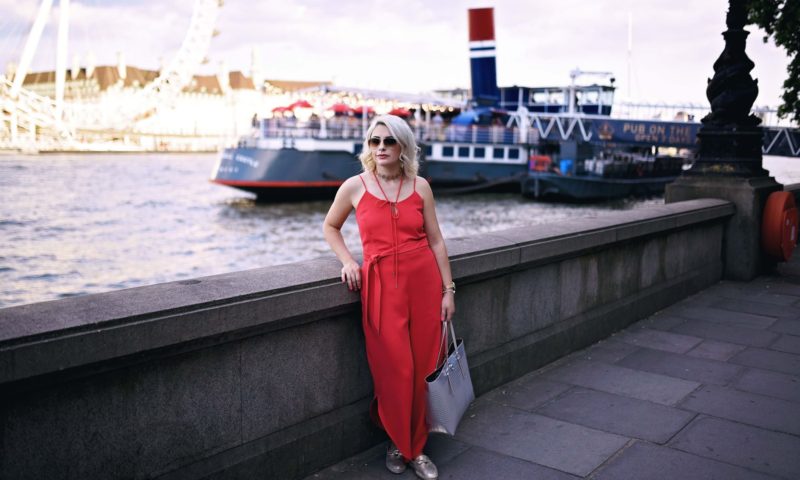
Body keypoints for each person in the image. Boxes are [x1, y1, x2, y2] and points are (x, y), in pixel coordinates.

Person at [323, 115, 455, 479]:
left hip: (424, 285)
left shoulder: (420, 187)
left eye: (389, 141)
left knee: (422, 369)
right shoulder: (355, 186)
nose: (381, 147)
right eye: (374, 141)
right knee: (394, 371)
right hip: (381, 289)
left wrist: (448, 290)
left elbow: (436, 241)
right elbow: (330, 226)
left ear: (403, 147)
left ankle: (412, 447)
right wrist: (348, 261)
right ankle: (401, 442)